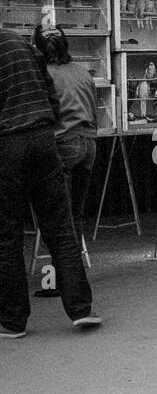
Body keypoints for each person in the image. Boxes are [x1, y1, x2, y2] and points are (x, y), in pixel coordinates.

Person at [0, 27, 100, 338]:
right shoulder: (19, 42)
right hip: (45, 138)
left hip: (8, 144)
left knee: (8, 236)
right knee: (62, 228)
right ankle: (81, 310)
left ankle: (13, 322)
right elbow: (50, 93)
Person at [32, 25, 98, 258]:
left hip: (63, 143)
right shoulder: (82, 72)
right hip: (89, 144)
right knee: (75, 215)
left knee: (58, 217)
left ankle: (59, 277)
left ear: (38, 48)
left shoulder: (42, 75)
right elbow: (94, 111)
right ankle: (74, 272)